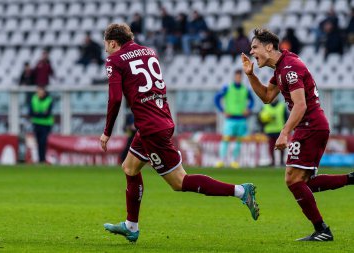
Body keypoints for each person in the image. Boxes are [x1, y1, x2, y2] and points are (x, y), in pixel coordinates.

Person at [100, 23, 259, 243]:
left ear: (113, 42)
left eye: (106, 45)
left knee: (179, 182)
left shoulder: (114, 60)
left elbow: (116, 98)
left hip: (151, 128)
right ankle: (131, 226)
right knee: (129, 167)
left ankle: (241, 191)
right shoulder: (149, 51)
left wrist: (107, 131)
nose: (106, 50)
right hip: (160, 118)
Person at [241, 28, 354, 241]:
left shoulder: (289, 68)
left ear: (269, 47)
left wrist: (284, 133)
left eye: (254, 47)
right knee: (304, 184)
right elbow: (266, 96)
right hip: (311, 126)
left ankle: (322, 230)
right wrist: (251, 75)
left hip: (310, 125)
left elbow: (300, 105)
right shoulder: (281, 67)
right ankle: (350, 180)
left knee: (293, 180)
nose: (252, 52)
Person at [214, 69, 254, 169]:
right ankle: (221, 160)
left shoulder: (245, 89)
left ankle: (234, 161)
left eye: (240, 77)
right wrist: (222, 110)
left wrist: (248, 109)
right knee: (225, 139)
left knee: (238, 141)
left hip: (241, 119)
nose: (238, 78)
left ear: (242, 78)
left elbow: (252, 100)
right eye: (237, 76)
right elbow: (216, 98)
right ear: (234, 77)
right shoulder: (227, 88)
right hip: (230, 119)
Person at [259, 96, 288, 166]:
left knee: (281, 147)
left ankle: (281, 161)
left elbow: (286, 118)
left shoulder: (282, 106)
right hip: (270, 130)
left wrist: (286, 130)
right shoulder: (265, 107)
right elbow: (260, 119)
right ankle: (272, 161)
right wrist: (265, 122)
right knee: (271, 147)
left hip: (280, 130)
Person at [29, 86, 54, 163]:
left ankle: (43, 158)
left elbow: (47, 114)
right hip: (36, 123)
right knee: (38, 142)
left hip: (46, 124)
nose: (40, 93)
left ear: (44, 92)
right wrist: (42, 113)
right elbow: (31, 112)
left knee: (43, 141)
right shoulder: (34, 99)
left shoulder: (49, 100)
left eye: (41, 91)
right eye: (38, 91)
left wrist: (37, 113)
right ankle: (40, 159)